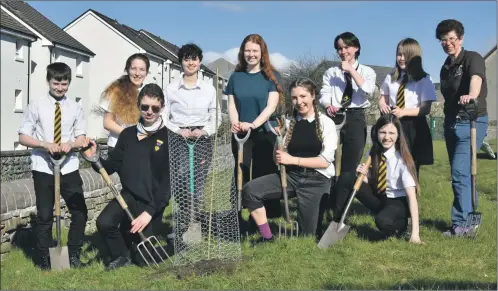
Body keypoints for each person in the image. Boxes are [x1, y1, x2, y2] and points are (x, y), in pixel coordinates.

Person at [84, 84, 170, 271]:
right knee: (104, 222)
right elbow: (112, 165)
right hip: (128, 196)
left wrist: (149, 213)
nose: (149, 112)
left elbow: (167, 185)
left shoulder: (168, 138)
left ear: (161, 108)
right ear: (138, 105)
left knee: (143, 258)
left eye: (155, 108)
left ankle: (167, 247)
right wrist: (94, 157)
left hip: (151, 202)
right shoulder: (127, 135)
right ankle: (121, 256)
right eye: (145, 106)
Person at [242, 78, 337, 241]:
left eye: (303, 96)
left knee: (307, 237)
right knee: (251, 190)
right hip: (291, 177)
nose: (299, 102)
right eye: (294, 98)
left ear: (313, 95)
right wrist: (278, 141)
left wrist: (292, 159)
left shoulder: (326, 123)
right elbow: (278, 160)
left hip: (317, 180)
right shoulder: (288, 123)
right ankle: (267, 237)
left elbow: (325, 162)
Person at [18, 62, 89, 269]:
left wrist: (71, 144)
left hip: (68, 166)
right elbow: (23, 136)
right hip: (43, 166)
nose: (60, 87)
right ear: (48, 81)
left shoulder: (76, 108)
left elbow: (81, 137)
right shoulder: (36, 105)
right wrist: (44, 144)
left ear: (69, 83)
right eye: (56, 83)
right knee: (45, 215)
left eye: (64, 83)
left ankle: (73, 256)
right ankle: (45, 260)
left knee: (80, 212)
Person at [163, 43, 221, 245]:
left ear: (200, 62)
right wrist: (179, 130)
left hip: (201, 139)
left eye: (194, 59)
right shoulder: (171, 89)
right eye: (187, 59)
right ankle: (189, 217)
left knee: (197, 183)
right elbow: (164, 117)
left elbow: (216, 116)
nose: (190, 62)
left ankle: (192, 224)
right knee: (179, 180)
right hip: (179, 138)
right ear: (181, 62)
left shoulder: (209, 89)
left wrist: (203, 130)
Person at [224, 34, 284, 226]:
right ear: (243, 53)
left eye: (255, 51)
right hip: (241, 133)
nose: (251, 54)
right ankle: (238, 211)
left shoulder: (271, 77)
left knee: (263, 171)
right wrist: (236, 123)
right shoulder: (236, 77)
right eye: (247, 50)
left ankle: (265, 214)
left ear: (262, 53)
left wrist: (253, 124)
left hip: (265, 131)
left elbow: (271, 106)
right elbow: (231, 105)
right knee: (240, 171)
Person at [436, 19, 488, 237]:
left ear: (461, 38)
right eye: (443, 40)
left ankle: (460, 225)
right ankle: (469, 220)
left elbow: (476, 79)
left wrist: (472, 96)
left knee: (459, 173)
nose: (448, 43)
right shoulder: (445, 68)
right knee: (462, 173)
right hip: (451, 122)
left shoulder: (472, 58)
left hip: (471, 121)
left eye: (451, 39)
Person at [334, 114, 423, 243]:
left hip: (397, 202)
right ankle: (338, 221)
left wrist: (415, 235)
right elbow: (373, 182)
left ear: (398, 135)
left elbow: (412, 197)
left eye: (392, 133)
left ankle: (405, 224)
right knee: (347, 178)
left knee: (383, 222)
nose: (387, 137)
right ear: (376, 132)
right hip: (380, 197)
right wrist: (363, 175)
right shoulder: (373, 152)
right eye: (383, 132)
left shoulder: (402, 160)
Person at [319, 32, 377, 219]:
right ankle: (325, 203)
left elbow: (368, 91)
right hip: (334, 117)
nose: (343, 52)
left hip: (356, 117)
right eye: (340, 48)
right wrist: (328, 105)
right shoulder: (331, 73)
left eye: (347, 47)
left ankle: (340, 212)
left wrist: (351, 71)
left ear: (356, 48)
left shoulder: (368, 72)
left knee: (349, 167)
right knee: (328, 161)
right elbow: (324, 94)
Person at [378, 38, 436, 177]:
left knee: (410, 166)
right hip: (392, 124)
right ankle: (391, 196)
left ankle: (411, 197)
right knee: (391, 162)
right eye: (399, 54)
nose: (401, 58)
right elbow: (383, 97)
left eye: (405, 55)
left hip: (413, 126)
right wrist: (382, 104)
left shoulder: (424, 79)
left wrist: (403, 112)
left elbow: (425, 108)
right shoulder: (391, 77)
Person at [99, 53, 150, 152]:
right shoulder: (115, 91)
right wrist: (131, 135)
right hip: (118, 145)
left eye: (142, 69)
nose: (137, 73)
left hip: (143, 146)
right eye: (133, 68)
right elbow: (107, 122)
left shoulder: (149, 92)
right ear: (127, 70)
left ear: (147, 72)